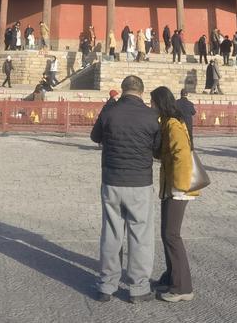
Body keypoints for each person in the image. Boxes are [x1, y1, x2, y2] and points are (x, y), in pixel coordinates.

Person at [90, 75, 161, 303]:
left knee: (111, 232)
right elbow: (158, 149)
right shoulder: (152, 116)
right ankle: (138, 288)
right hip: (140, 182)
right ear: (142, 92)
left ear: (122, 90)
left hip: (112, 179)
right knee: (140, 235)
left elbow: (95, 137)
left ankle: (106, 285)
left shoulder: (110, 111)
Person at [149, 86, 198, 302]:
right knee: (166, 233)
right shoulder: (168, 122)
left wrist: (178, 187)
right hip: (171, 186)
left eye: (153, 102)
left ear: (160, 103)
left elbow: (182, 155)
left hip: (178, 188)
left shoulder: (173, 124)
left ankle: (182, 287)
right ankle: (171, 277)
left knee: (171, 235)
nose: (151, 106)